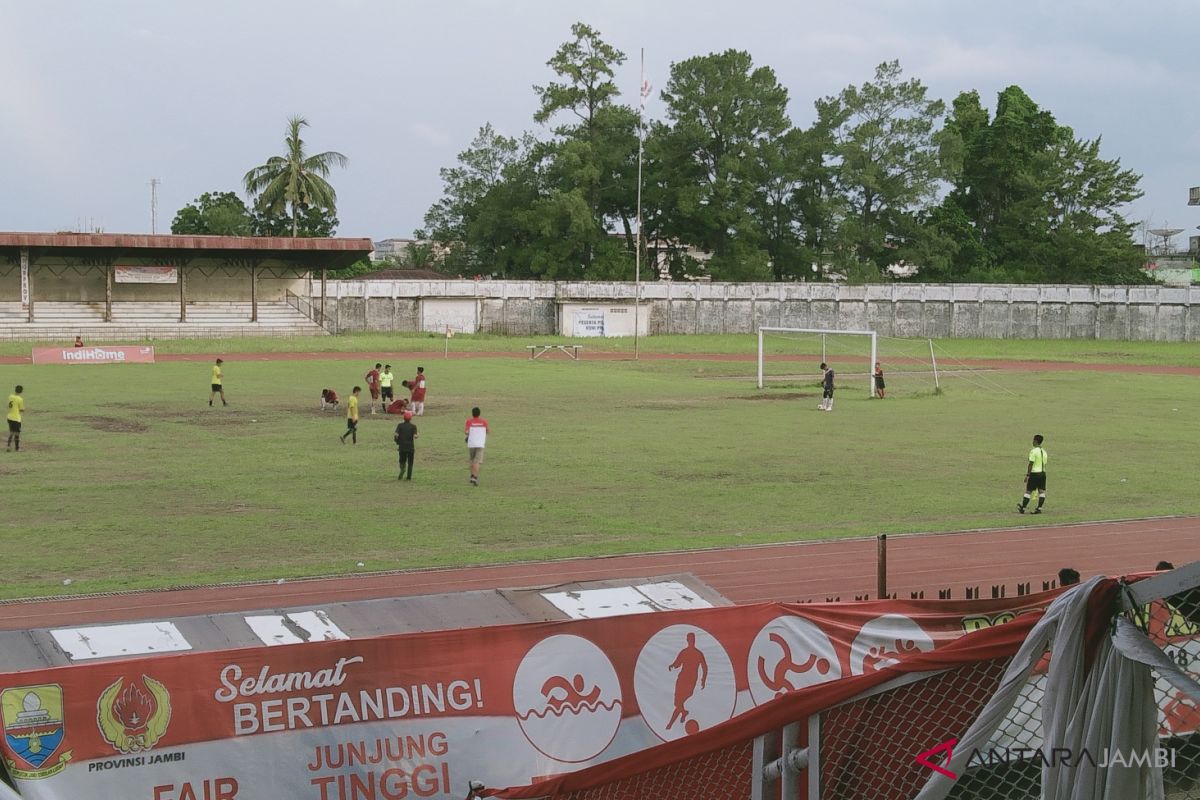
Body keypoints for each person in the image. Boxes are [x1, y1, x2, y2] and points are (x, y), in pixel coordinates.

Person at [1017, 434, 1048, 514]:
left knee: (1029, 491)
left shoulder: (1033, 451)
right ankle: (1039, 508)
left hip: (1035, 473)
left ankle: (1023, 508)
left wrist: (1027, 475)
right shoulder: (1044, 452)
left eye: (1033, 440)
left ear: (1035, 441)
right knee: (1041, 491)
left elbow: (1031, 463)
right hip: (1043, 473)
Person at [464, 406, 489, 486]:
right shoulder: (484, 422)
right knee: (477, 462)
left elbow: (466, 432)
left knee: (472, 460)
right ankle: (475, 477)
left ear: (472, 414)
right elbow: (488, 431)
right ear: (479, 414)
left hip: (471, 443)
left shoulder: (469, 421)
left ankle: (471, 476)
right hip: (480, 444)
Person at [394, 410, 418, 481]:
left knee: (402, 460)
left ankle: (402, 468)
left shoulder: (400, 425)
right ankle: (409, 477)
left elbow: (396, 434)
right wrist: (417, 435)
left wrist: (397, 440)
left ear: (403, 418)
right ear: (411, 418)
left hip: (402, 447)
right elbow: (415, 436)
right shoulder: (413, 426)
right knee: (410, 463)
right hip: (410, 447)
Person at [6, 385, 25, 452]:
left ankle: (8, 447)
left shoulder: (10, 396)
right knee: (17, 433)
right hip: (16, 418)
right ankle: (17, 448)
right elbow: (21, 409)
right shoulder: (20, 399)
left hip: (9, 417)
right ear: (21, 391)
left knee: (11, 432)